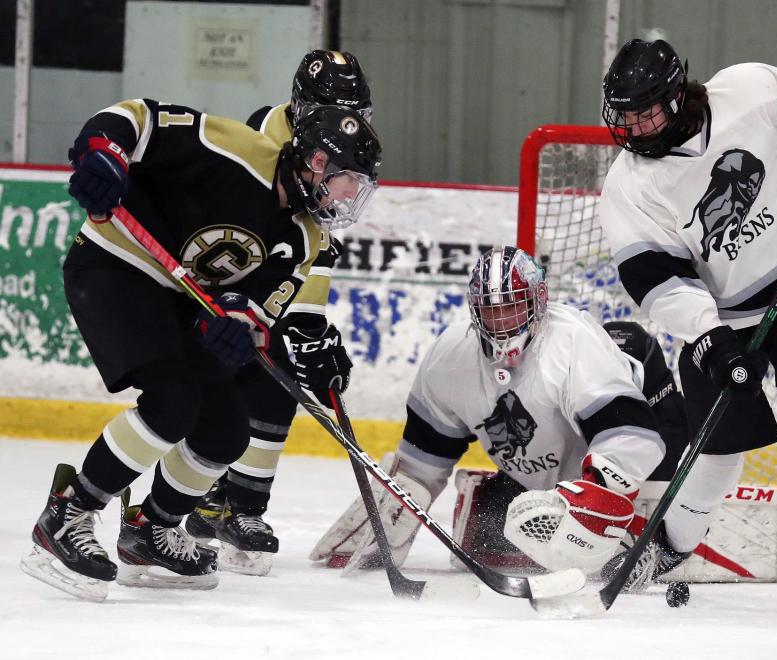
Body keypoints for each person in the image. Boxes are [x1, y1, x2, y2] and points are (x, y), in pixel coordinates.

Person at [21, 97, 381, 601]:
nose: (350, 196)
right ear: (317, 162)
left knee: (224, 430)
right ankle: (69, 512)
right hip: (114, 266)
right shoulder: (234, 150)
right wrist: (104, 153)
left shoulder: (305, 238)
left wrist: (238, 325)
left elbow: (254, 307)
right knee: (172, 402)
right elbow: (134, 118)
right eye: (351, 179)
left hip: (177, 301)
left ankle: (151, 530)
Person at [597, 38, 777, 605]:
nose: (635, 128)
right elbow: (656, 278)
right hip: (718, 321)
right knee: (715, 458)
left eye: (646, 113)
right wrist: (711, 338)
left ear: (675, 96)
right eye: (626, 116)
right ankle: (667, 546)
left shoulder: (747, 88)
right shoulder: (628, 186)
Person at [309, 246, 686, 578]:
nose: (501, 322)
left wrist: (594, 501)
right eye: (491, 311)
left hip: (641, 444)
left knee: (629, 337)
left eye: (511, 307)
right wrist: (390, 515)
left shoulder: (571, 341)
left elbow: (635, 437)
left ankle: (667, 526)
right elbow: (423, 462)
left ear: (538, 300)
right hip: (547, 485)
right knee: (487, 540)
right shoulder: (450, 357)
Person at [183, 50, 373, 575]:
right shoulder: (266, 136)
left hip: (278, 284)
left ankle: (242, 508)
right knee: (218, 388)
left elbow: (316, 245)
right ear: (301, 104)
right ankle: (196, 501)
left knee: (280, 383)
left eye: (354, 108)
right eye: (331, 106)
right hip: (230, 284)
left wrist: (308, 326)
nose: (344, 117)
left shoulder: (341, 146)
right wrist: (271, 317)